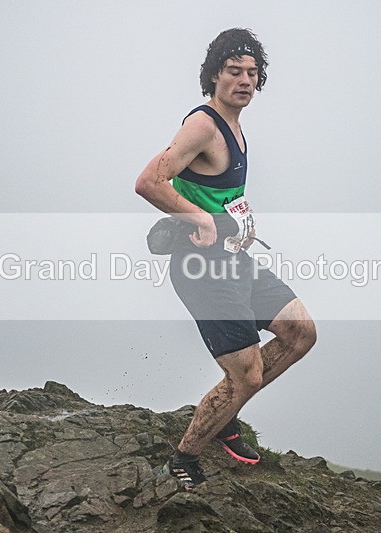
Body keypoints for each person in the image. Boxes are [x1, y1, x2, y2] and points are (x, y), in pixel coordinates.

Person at [135, 28, 317, 490]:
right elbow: (148, 182)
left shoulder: (235, 125)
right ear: (214, 75)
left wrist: (239, 224)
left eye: (252, 73)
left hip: (233, 259)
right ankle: (183, 458)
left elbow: (222, 194)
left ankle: (227, 413)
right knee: (248, 375)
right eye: (235, 72)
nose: (245, 81)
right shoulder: (203, 124)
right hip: (203, 270)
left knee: (300, 334)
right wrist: (202, 219)